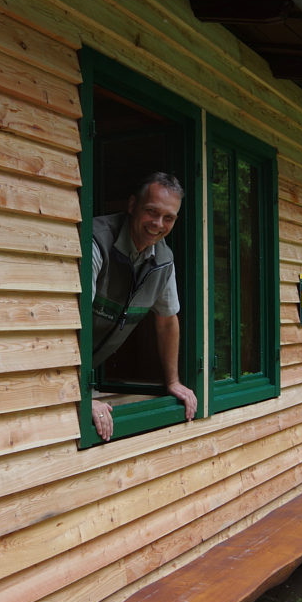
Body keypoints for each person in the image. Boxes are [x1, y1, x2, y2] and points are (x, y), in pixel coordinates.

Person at [90, 172, 198, 441]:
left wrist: (173, 381)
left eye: (169, 217)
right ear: (131, 205)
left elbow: (167, 320)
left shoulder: (164, 259)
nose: (158, 224)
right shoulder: (95, 241)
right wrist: (77, 394)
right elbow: (67, 324)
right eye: (151, 211)